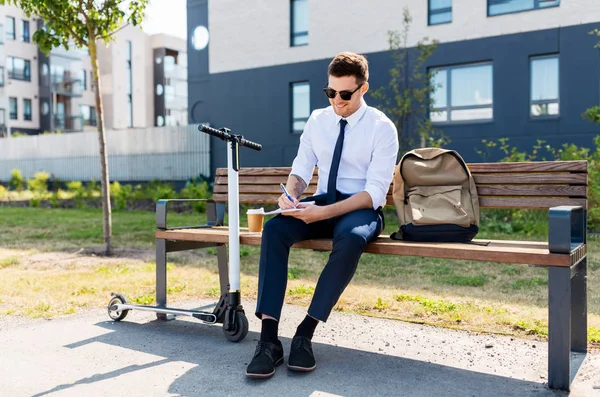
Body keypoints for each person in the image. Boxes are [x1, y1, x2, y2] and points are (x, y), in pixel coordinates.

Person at [245, 52, 399, 378]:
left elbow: (375, 192)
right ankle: (269, 341)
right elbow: (301, 169)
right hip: (321, 202)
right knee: (274, 231)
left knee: (352, 239)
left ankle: (305, 333)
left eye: (345, 94)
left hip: (359, 207)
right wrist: (291, 195)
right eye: (331, 92)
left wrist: (323, 212)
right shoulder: (318, 120)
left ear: (363, 89)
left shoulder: (381, 128)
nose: (337, 101)